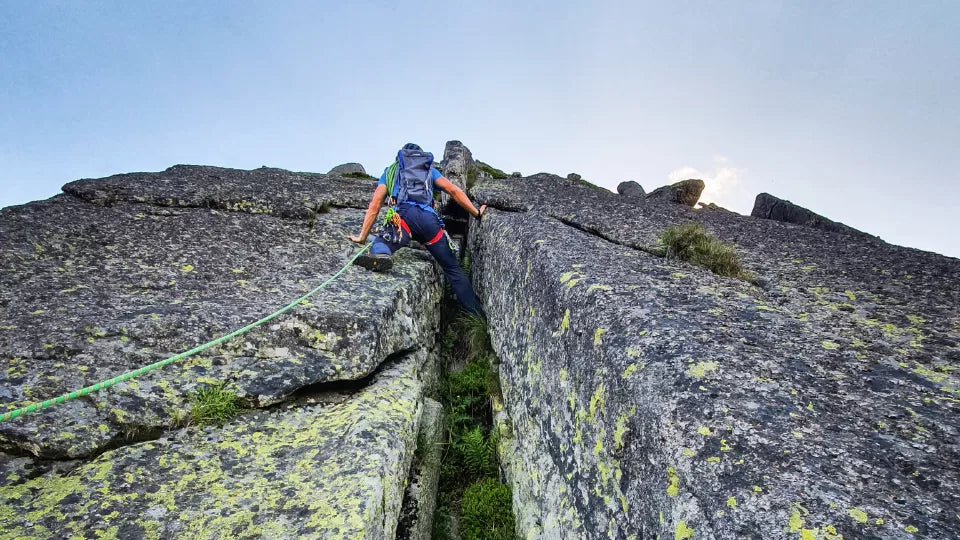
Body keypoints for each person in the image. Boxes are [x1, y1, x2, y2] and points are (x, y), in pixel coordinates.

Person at [349, 143, 486, 315]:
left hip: (403, 220)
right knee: (453, 268)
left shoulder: (391, 171)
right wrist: (476, 213)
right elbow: (453, 190)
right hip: (429, 222)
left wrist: (362, 236)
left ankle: (382, 254)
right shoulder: (428, 170)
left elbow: (375, 204)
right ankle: (476, 314)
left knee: (380, 243)